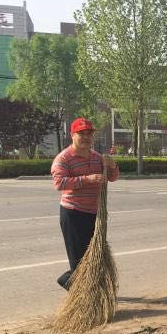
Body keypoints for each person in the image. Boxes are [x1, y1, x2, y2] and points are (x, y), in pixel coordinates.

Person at [51, 117, 119, 291]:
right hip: (73, 213)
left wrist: (112, 166)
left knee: (94, 255)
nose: (86, 137)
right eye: (81, 134)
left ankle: (81, 287)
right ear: (72, 135)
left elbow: (112, 177)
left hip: (95, 214)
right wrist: (87, 179)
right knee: (79, 260)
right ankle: (79, 290)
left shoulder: (97, 158)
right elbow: (59, 183)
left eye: (89, 134)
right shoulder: (63, 158)